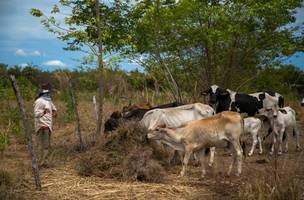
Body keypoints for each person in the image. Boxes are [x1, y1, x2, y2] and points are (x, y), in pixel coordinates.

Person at [33, 86, 57, 165]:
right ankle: (39, 162)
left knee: (46, 145)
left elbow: (54, 109)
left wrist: (54, 112)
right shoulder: (38, 101)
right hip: (41, 126)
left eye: (48, 93)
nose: (48, 94)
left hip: (48, 125)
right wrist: (44, 112)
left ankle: (44, 162)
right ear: (43, 94)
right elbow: (36, 114)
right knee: (40, 145)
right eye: (47, 93)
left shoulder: (49, 101)